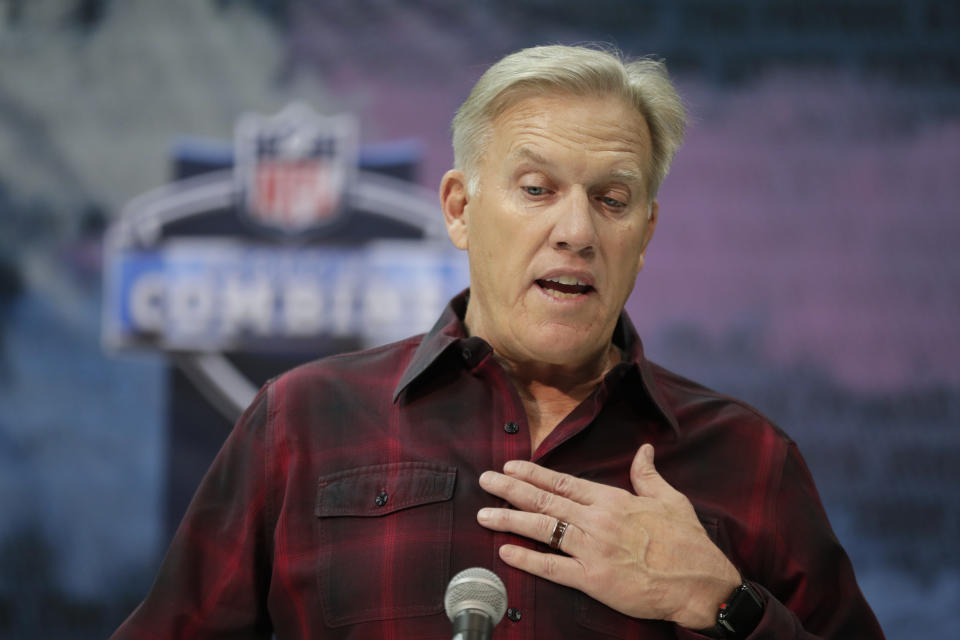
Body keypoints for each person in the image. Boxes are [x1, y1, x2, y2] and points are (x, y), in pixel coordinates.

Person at [112, 45, 885, 639]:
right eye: (537, 189)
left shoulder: (748, 459)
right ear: (458, 208)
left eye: (612, 200)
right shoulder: (301, 422)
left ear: (645, 235)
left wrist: (722, 603)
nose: (577, 231)